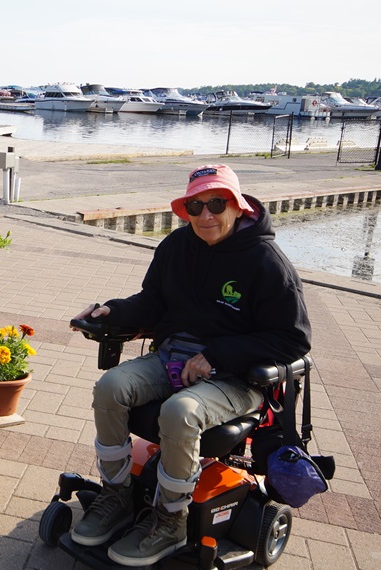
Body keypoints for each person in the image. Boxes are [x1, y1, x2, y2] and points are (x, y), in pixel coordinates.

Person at [70, 164, 311, 567]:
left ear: (237, 205)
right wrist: (111, 311)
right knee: (110, 388)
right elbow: (153, 301)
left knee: (179, 413)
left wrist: (217, 355)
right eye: (195, 206)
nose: (205, 215)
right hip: (171, 358)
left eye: (216, 203)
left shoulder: (268, 263)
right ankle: (116, 498)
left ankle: (170, 522)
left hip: (237, 376)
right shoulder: (176, 247)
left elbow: (294, 339)